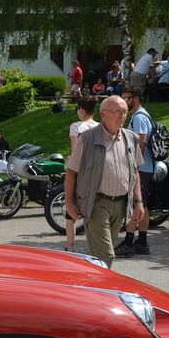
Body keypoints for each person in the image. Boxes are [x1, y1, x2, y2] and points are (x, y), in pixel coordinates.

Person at [64, 95, 145, 268]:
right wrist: (69, 202)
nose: (122, 116)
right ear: (103, 114)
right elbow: (71, 171)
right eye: (117, 112)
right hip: (96, 203)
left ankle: (92, 286)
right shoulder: (87, 138)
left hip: (121, 204)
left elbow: (135, 172)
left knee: (100, 258)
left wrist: (138, 202)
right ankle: (101, 289)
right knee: (106, 255)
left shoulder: (131, 138)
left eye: (124, 112)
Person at [115, 87, 154, 258]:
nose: (124, 102)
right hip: (146, 167)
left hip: (141, 168)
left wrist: (134, 165)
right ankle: (142, 242)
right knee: (143, 204)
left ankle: (129, 241)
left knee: (137, 204)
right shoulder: (142, 115)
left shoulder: (138, 117)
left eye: (127, 98)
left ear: (136, 98)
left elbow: (141, 141)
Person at [65, 97, 99, 251]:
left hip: (80, 172)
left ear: (81, 109)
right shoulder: (100, 127)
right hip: (97, 171)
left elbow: (75, 151)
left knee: (71, 212)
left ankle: (71, 248)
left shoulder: (76, 127)